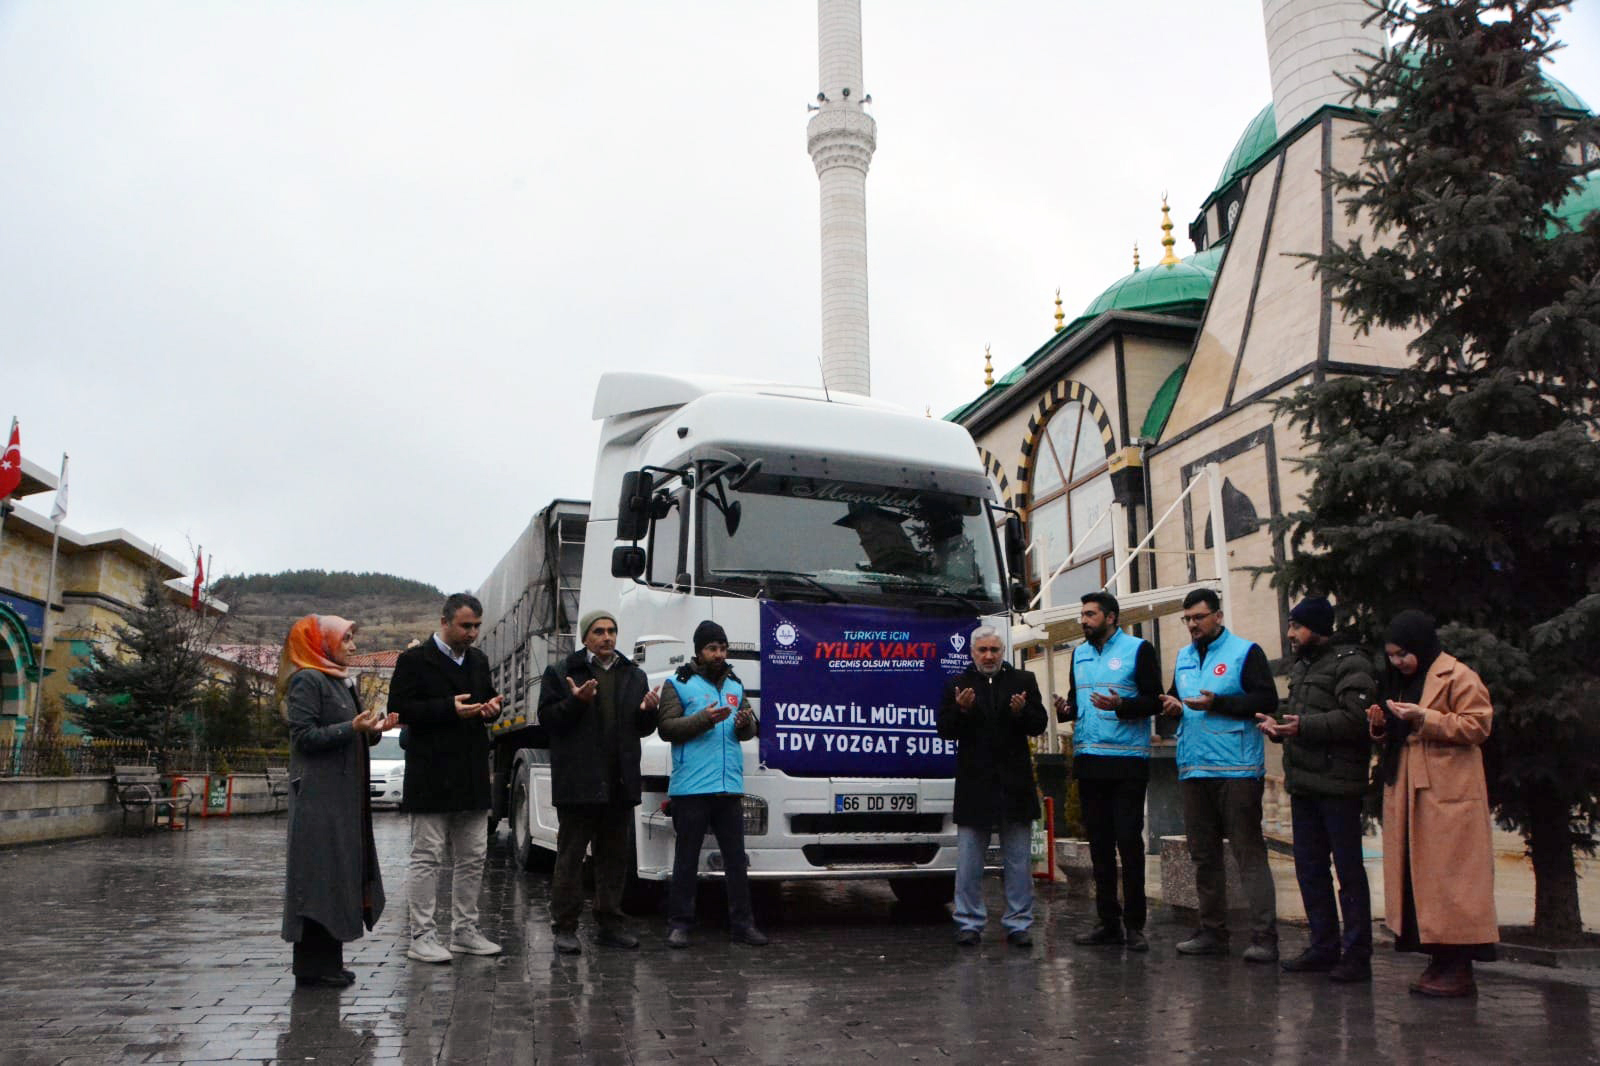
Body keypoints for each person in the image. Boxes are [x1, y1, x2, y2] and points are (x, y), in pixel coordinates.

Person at [1367, 609, 1497, 998]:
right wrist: (1379, 726)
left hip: (1448, 793)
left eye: (1403, 654)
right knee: (1419, 879)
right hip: (1411, 790)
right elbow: (1399, 729)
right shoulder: (1400, 681)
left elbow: (1478, 725)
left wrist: (1426, 718)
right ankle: (1438, 959)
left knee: (1450, 879)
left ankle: (1458, 966)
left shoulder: (1459, 675)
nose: (1397, 662)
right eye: (1391, 655)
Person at [1255, 596, 1377, 983]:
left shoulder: (1351, 662)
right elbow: (1302, 719)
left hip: (1338, 787)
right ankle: (1323, 946)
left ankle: (1356, 955)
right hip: (1305, 785)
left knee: (1348, 872)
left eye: (1297, 626)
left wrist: (1302, 728)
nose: (1290, 634)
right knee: (1310, 870)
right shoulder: (1304, 667)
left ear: (1319, 628)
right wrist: (1279, 729)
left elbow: (1356, 718)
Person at [1158, 588, 1281, 962]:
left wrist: (1220, 703)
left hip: (1237, 769)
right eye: (1188, 619)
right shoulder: (1182, 657)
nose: (1193, 625)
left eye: (1199, 617)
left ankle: (1264, 936)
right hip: (1194, 768)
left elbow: (1266, 700)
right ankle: (1212, 931)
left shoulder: (1245, 652)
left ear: (1218, 616)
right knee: (1203, 855)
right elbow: (1172, 703)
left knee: (1248, 854)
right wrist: (1172, 706)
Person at [279, 614, 396, 989]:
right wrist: (352, 728)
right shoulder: (306, 680)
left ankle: (329, 961)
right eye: (346, 639)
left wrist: (375, 731)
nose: (353, 646)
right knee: (317, 878)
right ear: (322, 642)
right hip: (318, 799)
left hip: (341, 800)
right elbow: (305, 737)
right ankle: (312, 968)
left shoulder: (337, 680)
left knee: (336, 876)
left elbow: (351, 734)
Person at [538, 609, 661, 954]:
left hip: (619, 783)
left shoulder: (633, 674)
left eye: (612, 631)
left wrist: (648, 712)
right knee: (571, 858)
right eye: (599, 631)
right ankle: (564, 926)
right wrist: (575, 703)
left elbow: (642, 729)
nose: (607, 637)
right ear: (585, 637)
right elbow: (548, 720)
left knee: (613, 859)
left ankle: (610, 922)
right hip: (579, 783)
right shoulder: (562, 672)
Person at [389, 593, 503, 964]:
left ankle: (464, 931)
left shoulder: (480, 660)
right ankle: (421, 934)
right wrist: (447, 709)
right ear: (445, 621)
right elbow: (399, 709)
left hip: (471, 772)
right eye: (465, 625)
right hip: (431, 773)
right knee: (428, 856)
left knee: (473, 856)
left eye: (476, 626)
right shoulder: (414, 661)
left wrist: (490, 710)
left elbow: (484, 703)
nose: (472, 633)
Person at [1052, 591, 1163, 953]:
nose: (1083, 621)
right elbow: (1078, 701)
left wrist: (1121, 705)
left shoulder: (1138, 650)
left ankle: (1135, 925)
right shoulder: (1079, 654)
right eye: (1081, 614)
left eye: (1090, 614)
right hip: (1089, 760)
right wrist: (1066, 708)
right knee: (1098, 845)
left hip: (1127, 761)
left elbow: (1153, 700)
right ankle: (1107, 922)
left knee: (1128, 843)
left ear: (1112, 617)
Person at [657, 619, 767, 949]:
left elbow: (748, 730)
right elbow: (666, 728)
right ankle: (680, 924)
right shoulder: (678, 683)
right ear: (698, 651)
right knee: (686, 859)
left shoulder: (734, 684)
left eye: (722, 648)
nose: (719, 654)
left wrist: (746, 724)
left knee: (736, 860)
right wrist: (704, 719)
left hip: (728, 787)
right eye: (712, 648)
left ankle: (742, 924)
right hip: (691, 788)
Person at [936, 625, 1048, 947]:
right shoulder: (958, 684)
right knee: (969, 863)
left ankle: (1018, 923)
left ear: (1003, 652)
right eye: (982, 650)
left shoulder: (1023, 682)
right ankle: (969, 922)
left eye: (994, 650)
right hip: (975, 787)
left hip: (1014, 787)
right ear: (972, 653)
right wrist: (962, 710)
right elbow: (944, 729)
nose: (989, 656)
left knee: (1018, 862)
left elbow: (1038, 724)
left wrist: (1021, 711)